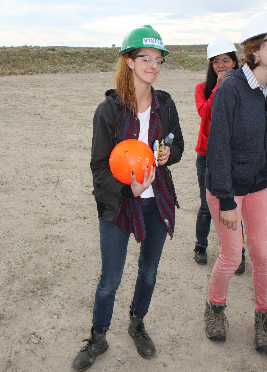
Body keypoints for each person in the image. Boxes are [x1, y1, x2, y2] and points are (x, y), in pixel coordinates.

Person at [72, 25, 184, 371]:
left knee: (148, 272)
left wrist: (170, 155)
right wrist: (126, 190)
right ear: (129, 62)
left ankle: (137, 324)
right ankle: (98, 336)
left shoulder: (165, 105)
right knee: (110, 279)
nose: (154, 65)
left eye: (158, 60)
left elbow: (176, 144)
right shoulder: (110, 110)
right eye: (145, 58)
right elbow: (98, 167)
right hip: (119, 204)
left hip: (155, 201)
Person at [204, 10, 267, 354]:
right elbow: (217, 148)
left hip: (259, 184)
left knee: (263, 254)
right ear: (255, 49)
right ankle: (215, 309)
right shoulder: (232, 88)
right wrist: (226, 199)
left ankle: (264, 317)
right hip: (228, 188)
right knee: (231, 255)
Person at [194, 37, 245, 273]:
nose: (221, 65)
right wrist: (218, 88)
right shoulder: (202, 89)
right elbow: (205, 114)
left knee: (237, 206)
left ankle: (239, 253)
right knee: (206, 206)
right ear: (210, 65)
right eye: (216, 61)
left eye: (226, 60)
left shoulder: (245, 88)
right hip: (206, 155)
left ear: (235, 62)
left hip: (235, 156)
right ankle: (201, 245)